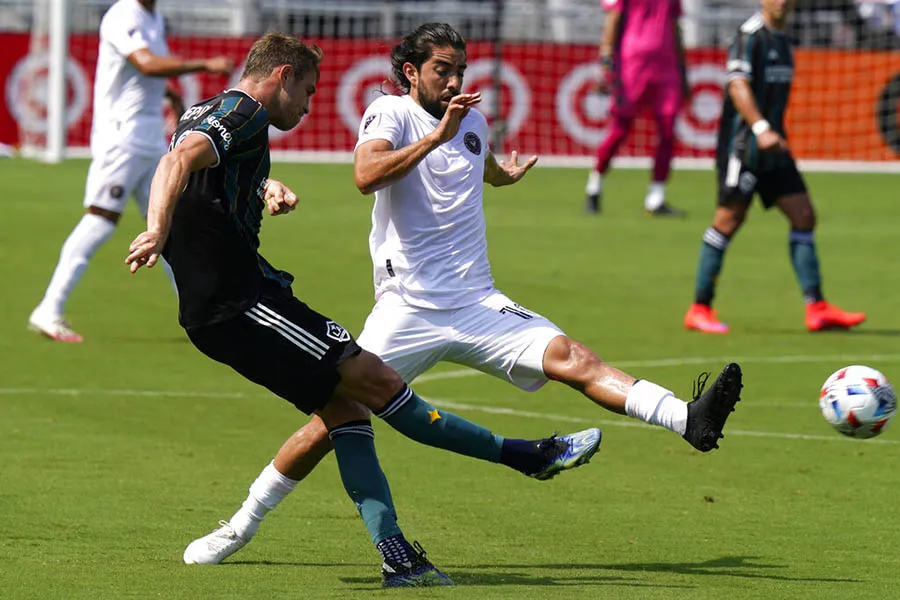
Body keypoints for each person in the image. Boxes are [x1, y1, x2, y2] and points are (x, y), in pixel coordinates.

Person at [181, 22, 744, 568]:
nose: (453, 82)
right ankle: (242, 523)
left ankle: (686, 418)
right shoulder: (391, 113)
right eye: (441, 70)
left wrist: (503, 173)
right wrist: (435, 136)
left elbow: (479, 165)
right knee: (335, 418)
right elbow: (365, 174)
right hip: (408, 308)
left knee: (573, 358)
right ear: (411, 72)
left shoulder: (470, 122)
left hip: (478, 303)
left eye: (460, 70)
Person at [125, 32, 604, 588]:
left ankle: (396, 555)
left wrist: (262, 187)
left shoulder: (209, 109)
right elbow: (177, 163)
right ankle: (525, 455)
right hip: (243, 303)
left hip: (223, 308)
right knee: (377, 383)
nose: (307, 107)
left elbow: (200, 173)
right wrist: (155, 229)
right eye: (306, 91)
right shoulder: (248, 113)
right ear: (281, 76)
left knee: (348, 411)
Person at [28, 0, 234, 343]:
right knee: (101, 218)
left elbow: (143, 75)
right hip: (121, 138)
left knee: (169, 223)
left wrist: (168, 94)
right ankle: (48, 308)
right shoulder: (124, 14)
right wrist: (205, 64)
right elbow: (146, 64)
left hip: (149, 137)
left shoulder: (152, 16)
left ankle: (203, 314)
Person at [683, 0, 867, 334]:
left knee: (804, 215)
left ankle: (817, 308)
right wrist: (761, 128)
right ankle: (699, 308)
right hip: (745, 147)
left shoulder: (784, 39)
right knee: (728, 220)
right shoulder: (749, 35)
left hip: (774, 148)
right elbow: (738, 85)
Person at [584, 0, 689, 216]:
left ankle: (656, 197)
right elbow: (613, 18)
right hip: (632, 65)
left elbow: (675, 26)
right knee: (619, 129)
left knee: (668, 131)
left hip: (666, 68)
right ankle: (594, 186)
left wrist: (682, 69)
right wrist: (606, 63)